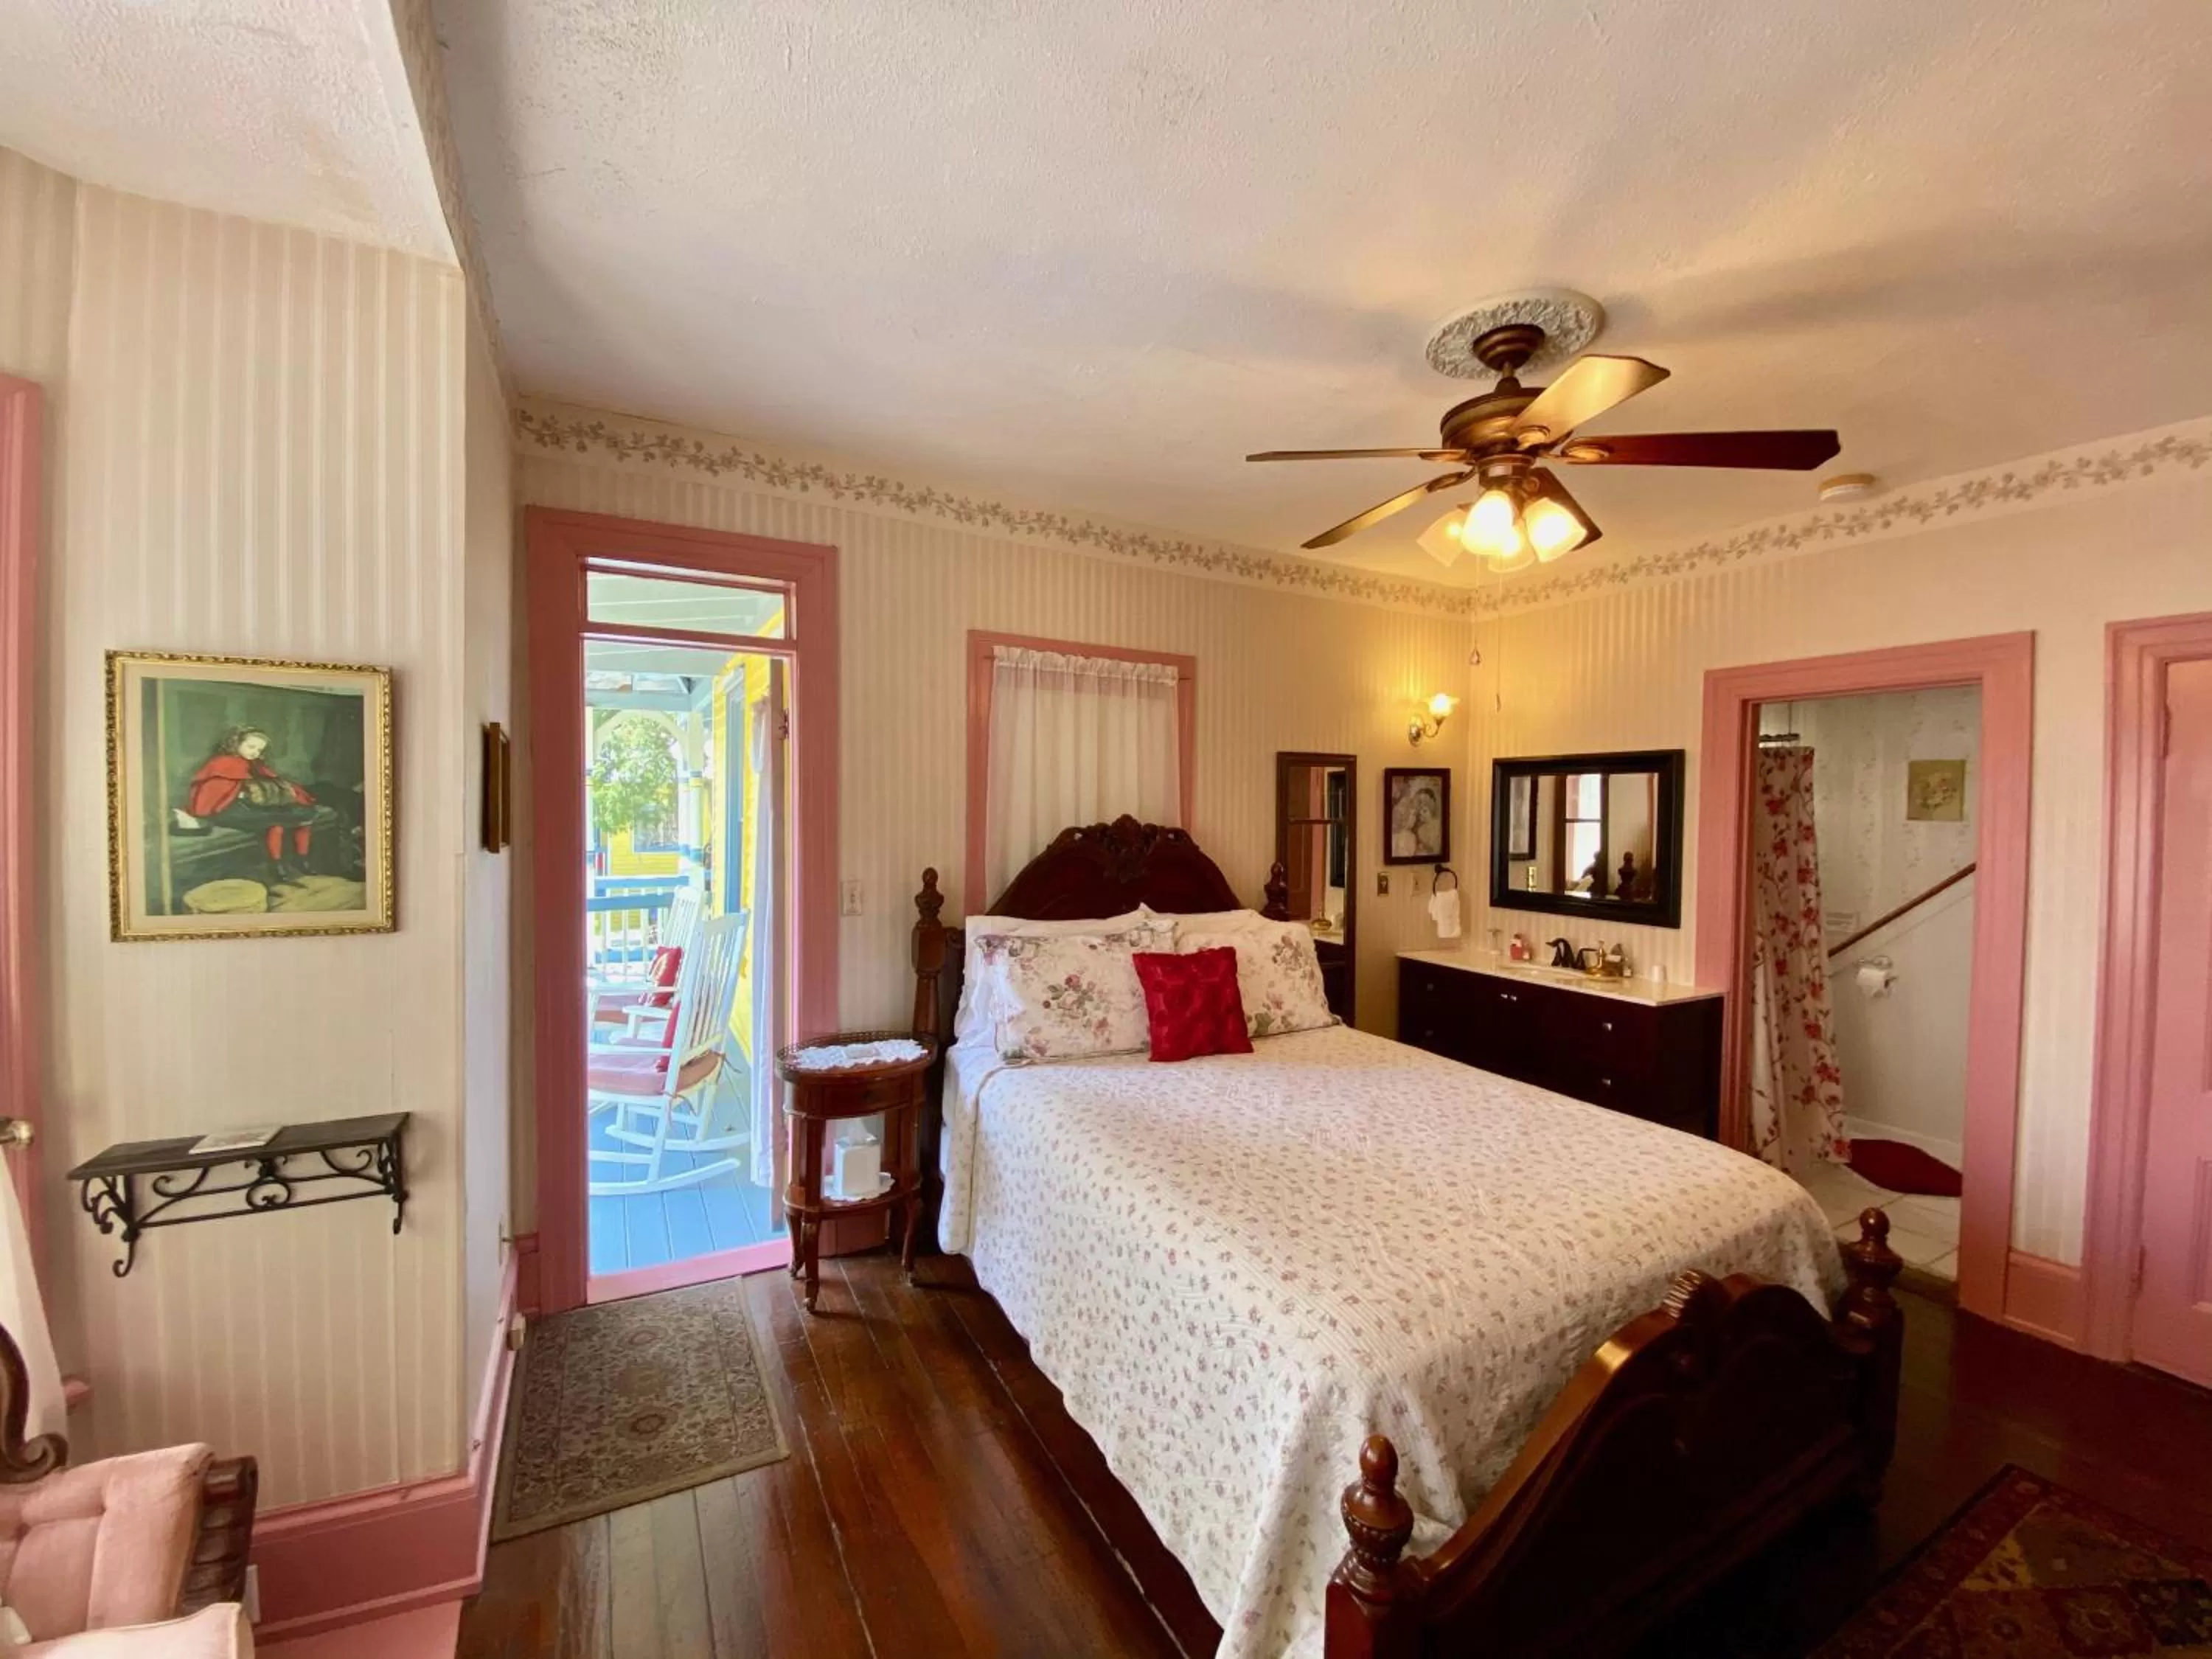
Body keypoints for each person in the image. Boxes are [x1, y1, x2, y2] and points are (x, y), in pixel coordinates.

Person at [184, 726, 320, 885]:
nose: (255, 752)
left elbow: (272, 781)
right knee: (276, 823)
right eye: (251, 747)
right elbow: (210, 797)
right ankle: (276, 866)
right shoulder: (221, 763)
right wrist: (239, 794)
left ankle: (301, 859)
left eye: (259, 749)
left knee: (304, 814)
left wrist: (294, 795)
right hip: (227, 809)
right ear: (237, 743)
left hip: (249, 805)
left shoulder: (254, 764)